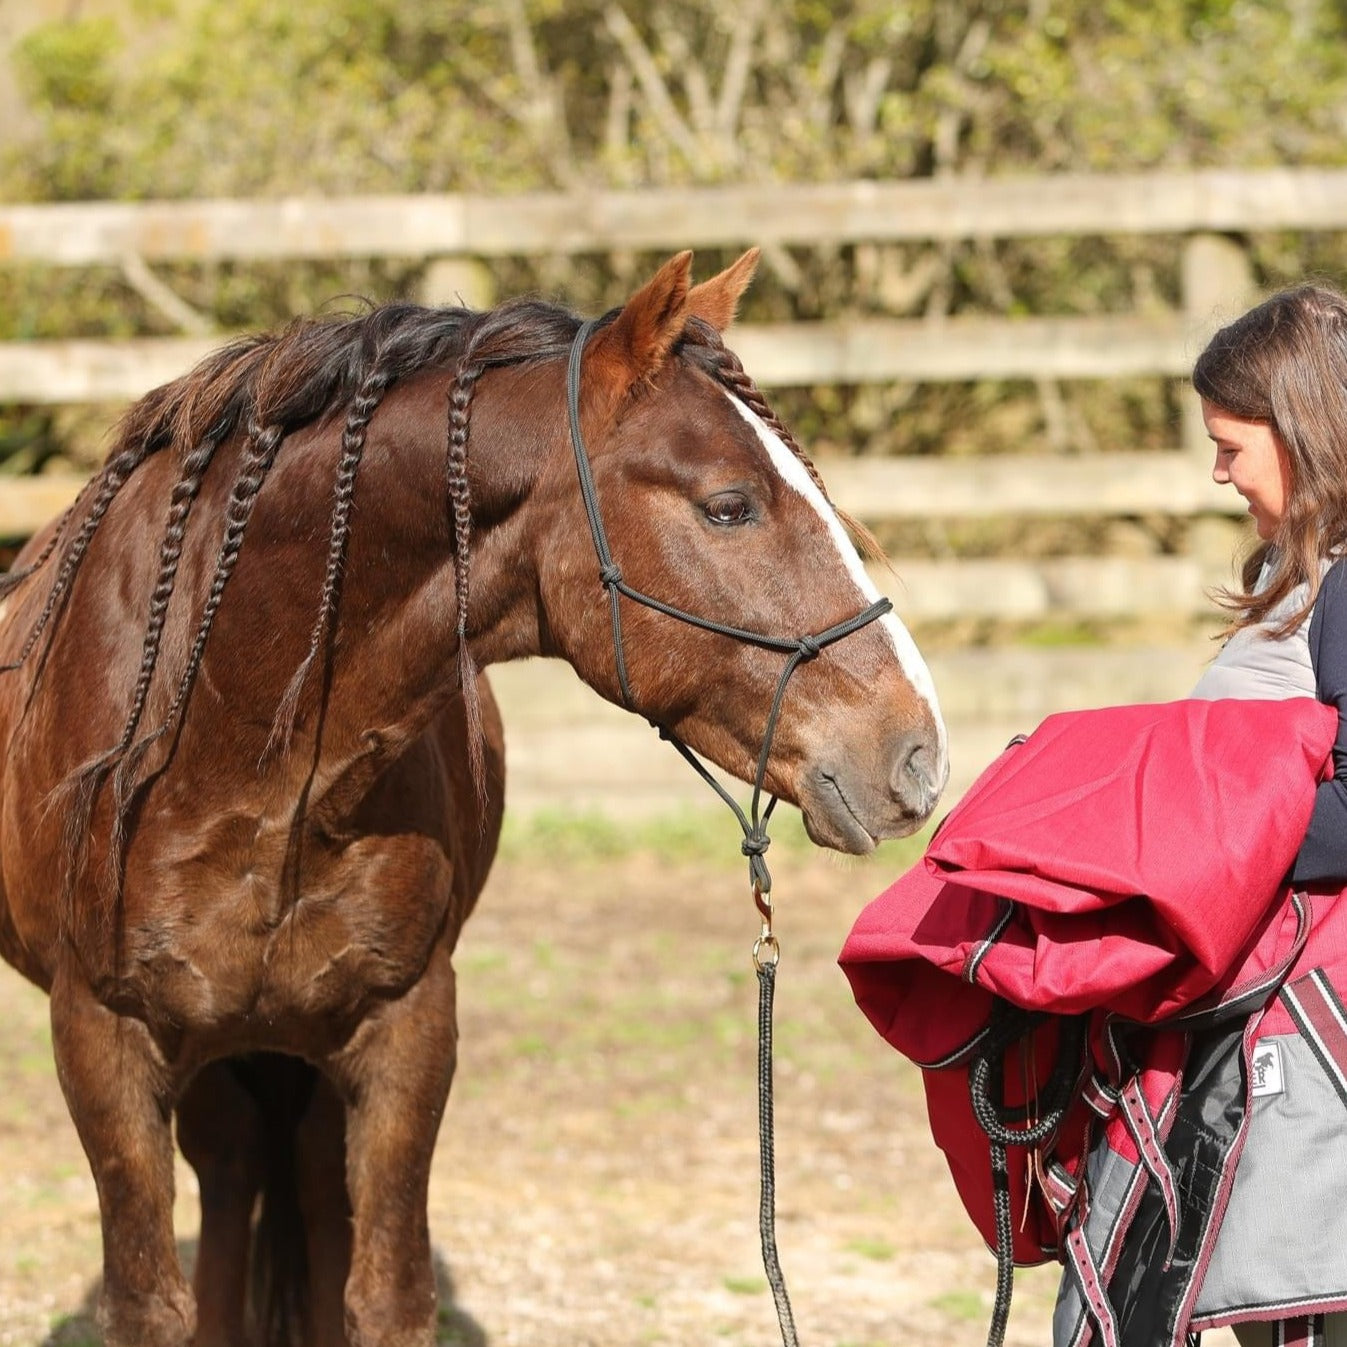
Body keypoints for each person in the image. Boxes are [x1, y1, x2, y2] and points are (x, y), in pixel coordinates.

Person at [1102, 284, 1347, 1345]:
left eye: (1232, 445)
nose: (1218, 473)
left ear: (1302, 433)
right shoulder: (1305, 578)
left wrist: (1193, 855)